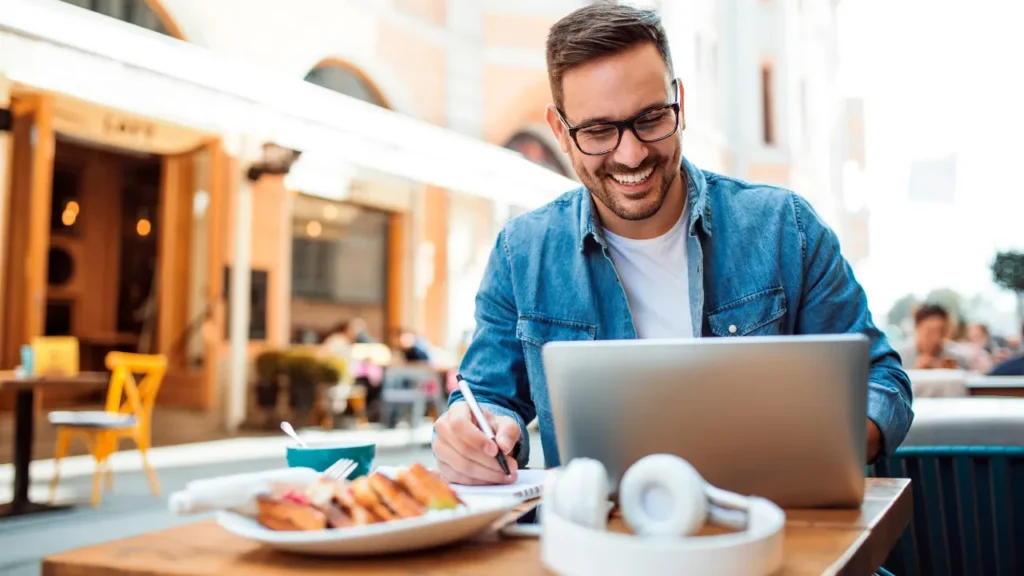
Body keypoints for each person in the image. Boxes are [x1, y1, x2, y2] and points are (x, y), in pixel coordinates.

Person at [432, 4, 913, 486]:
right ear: (560, 131)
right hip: (601, 546)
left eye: (651, 118)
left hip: (774, 531)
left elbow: (881, 385)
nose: (632, 153)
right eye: (599, 131)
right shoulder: (522, 253)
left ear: (679, 101)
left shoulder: (786, 228)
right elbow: (485, 399)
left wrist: (818, 444)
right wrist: (475, 435)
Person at [897, 305, 969, 370]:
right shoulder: (898, 358)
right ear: (916, 327)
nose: (936, 338)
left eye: (942, 332)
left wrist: (951, 373)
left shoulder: (955, 358)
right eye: (929, 332)